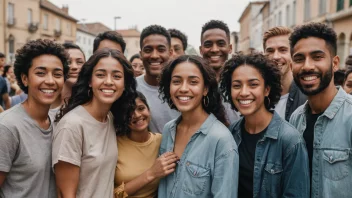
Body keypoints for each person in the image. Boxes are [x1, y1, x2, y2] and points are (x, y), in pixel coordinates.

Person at [220, 53, 310, 198]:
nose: (244, 92)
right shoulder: (231, 133)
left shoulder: (290, 141)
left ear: (267, 89)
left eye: (253, 84)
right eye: (237, 85)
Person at [52, 48, 137, 198]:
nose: (109, 82)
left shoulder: (109, 117)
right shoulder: (72, 125)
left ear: (124, 85)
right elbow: (66, 195)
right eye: (100, 75)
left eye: (116, 76)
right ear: (90, 81)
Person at [158, 55, 239, 198]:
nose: (183, 88)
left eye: (193, 82)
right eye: (176, 81)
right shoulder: (168, 130)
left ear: (205, 89)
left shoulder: (221, 140)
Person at [289, 22, 352, 198]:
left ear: (335, 63)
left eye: (317, 57)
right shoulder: (295, 119)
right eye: (299, 58)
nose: (307, 66)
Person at [0, 39, 69, 197]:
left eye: (57, 74)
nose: (50, 81)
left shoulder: (59, 123)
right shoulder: (7, 127)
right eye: (40, 73)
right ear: (25, 78)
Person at [114, 91, 178, 198]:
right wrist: (151, 173)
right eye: (129, 111)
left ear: (149, 110)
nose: (137, 115)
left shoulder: (162, 141)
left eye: (141, 108)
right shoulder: (115, 144)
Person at [136, 25, 179, 133]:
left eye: (160, 49)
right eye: (148, 50)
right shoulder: (130, 87)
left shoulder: (183, 88)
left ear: (170, 53)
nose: (154, 55)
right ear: (141, 54)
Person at [200, 20, 240, 123]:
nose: (214, 49)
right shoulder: (194, 85)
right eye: (208, 44)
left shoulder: (241, 83)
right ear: (201, 50)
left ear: (230, 48)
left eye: (220, 44)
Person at [263, 26, 307, 121]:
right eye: (270, 51)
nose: (275, 56)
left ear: (293, 54)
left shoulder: (307, 96)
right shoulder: (258, 95)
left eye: (282, 50)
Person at [49, 43, 86, 121]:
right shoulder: (46, 101)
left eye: (79, 62)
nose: (74, 67)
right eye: (68, 62)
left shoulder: (91, 102)